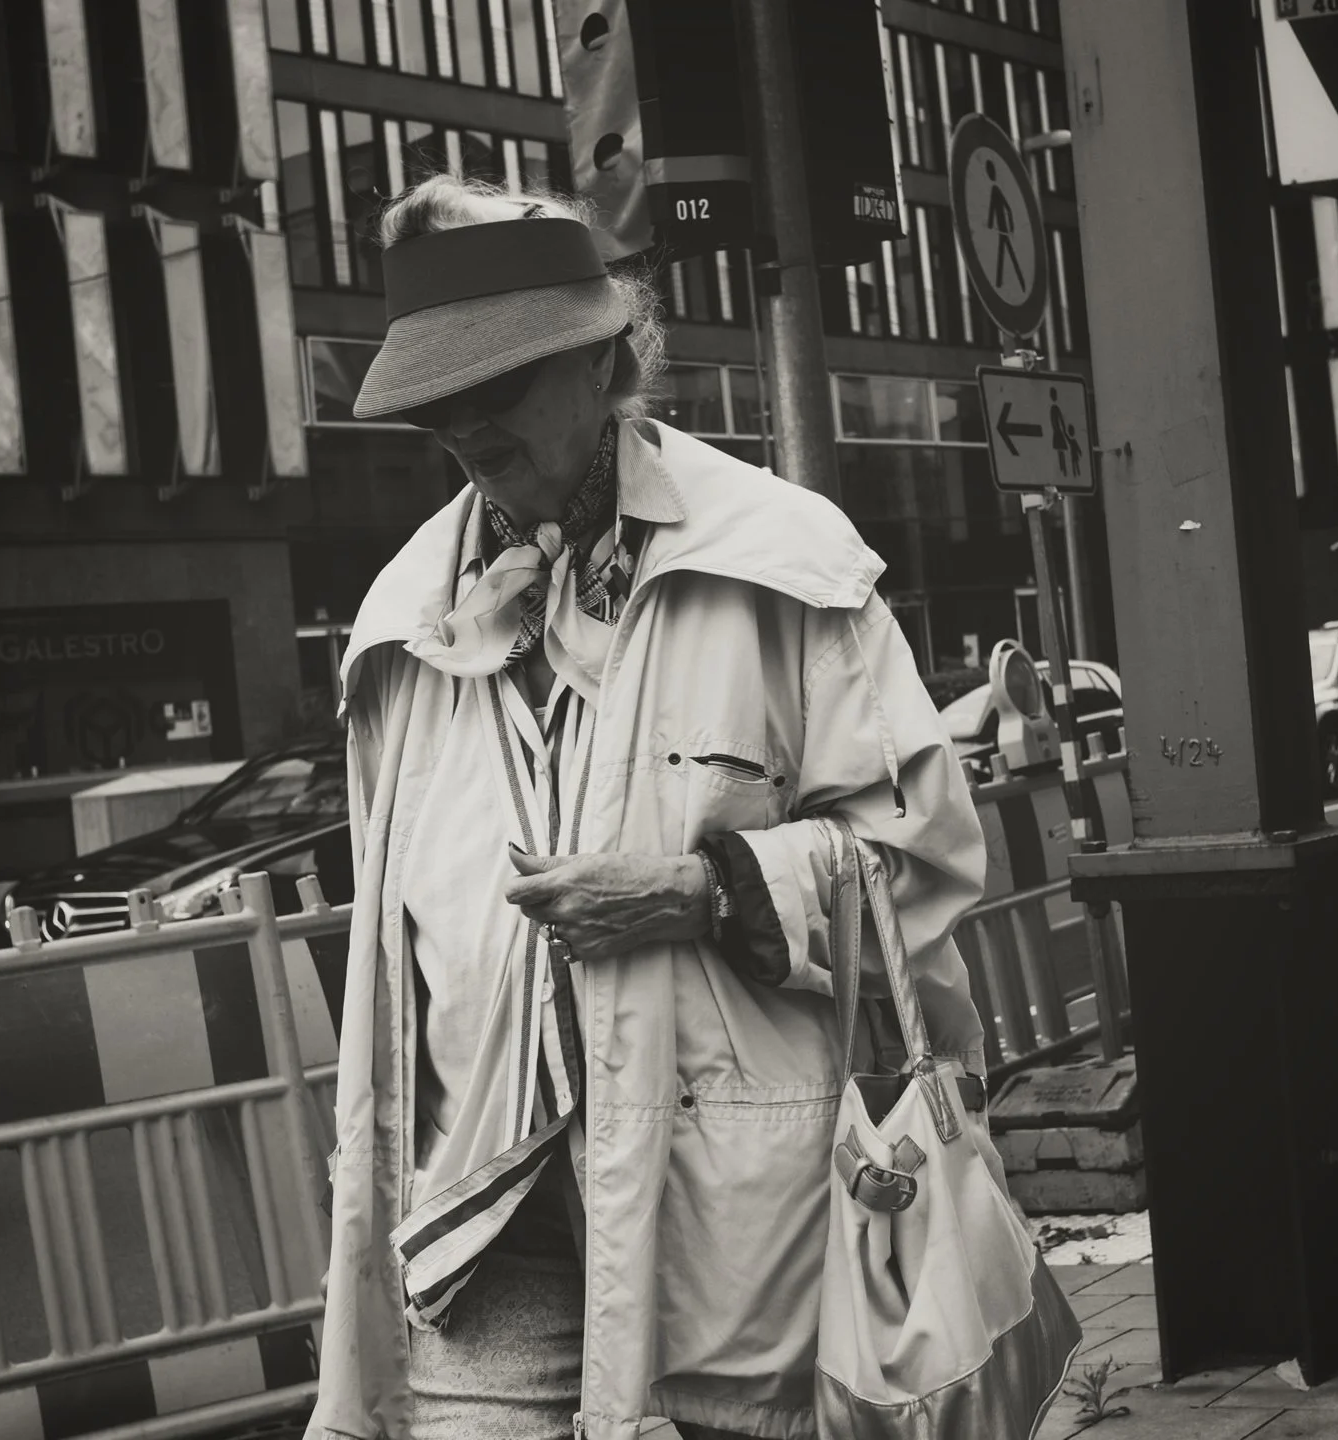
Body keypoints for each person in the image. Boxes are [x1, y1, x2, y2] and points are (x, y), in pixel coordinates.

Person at [308, 176, 989, 1440]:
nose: (465, 428)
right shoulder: (401, 620)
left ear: (608, 359)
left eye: (495, 386)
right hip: (481, 1220)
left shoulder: (784, 563)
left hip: (726, 1216)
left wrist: (702, 891)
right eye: (433, 406)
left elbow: (924, 863)